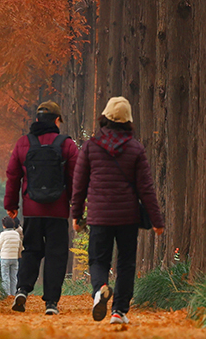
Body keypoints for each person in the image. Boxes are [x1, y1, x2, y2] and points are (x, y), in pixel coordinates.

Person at [70, 96, 164, 326]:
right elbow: (146, 188)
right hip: (127, 217)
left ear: (105, 117)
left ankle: (101, 289)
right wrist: (156, 219)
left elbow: (79, 184)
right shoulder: (135, 148)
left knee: (98, 260)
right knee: (126, 263)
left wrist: (76, 215)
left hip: (99, 216)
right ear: (128, 121)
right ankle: (119, 311)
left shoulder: (91, 146)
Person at [4, 100, 79, 315]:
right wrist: (77, 208)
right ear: (56, 120)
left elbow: (13, 175)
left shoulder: (23, 143)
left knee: (31, 251)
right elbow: (76, 178)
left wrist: (11, 204)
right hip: (58, 211)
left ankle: (22, 289)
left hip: (32, 209)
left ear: (36, 120)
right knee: (56, 255)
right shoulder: (67, 144)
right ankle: (51, 303)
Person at [0, 216, 23, 296]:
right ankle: (14, 294)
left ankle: (6, 294)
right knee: (14, 277)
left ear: (4, 225)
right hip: (14, 258)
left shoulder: (3, 234)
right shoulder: (16, 234)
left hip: (5, 257)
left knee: (5, 277)